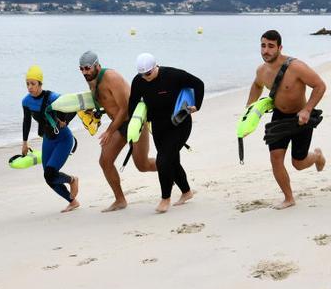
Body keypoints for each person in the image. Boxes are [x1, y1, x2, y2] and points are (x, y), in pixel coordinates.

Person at [246, 30, 326, 210]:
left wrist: (307, 109)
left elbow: (320, 85)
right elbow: (257, 86)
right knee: (275, 158)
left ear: (280, 48)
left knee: (298, 163)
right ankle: (289, 198)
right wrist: (249, 108)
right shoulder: (261, 70)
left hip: (300, 118)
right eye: (263, 45)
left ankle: (317, 156)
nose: (266, 50)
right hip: (278, 117)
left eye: (271, 46)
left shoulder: (296, 67)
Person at [78, 51, 157, 212]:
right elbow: (107, 102)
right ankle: (120, 200)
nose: (85, 72)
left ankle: (172, 168)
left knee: (142, 165)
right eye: (81, 69)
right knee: (105, 161)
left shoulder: (111, 77)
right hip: (119, 125)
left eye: (87, 68)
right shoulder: (92, 80)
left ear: (97, 65)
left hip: (134, 121)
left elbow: (124, 108)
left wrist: (109, 131)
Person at [127, 53, 204, 213]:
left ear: (156, 66)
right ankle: (186, 192)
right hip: (158, 126)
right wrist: (135, 124)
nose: (145, 77)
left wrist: (197, 105)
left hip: (179, 123)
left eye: (148, 73)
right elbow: (133, 103)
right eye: (142, 74)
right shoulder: (138, 81)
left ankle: (165, 198)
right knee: (172, 161)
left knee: (163, 160)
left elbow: (198, 84)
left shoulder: (173, 75)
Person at [21, 65, 80, 213]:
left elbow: (74, 106)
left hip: (63, 139)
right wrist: (25, 143)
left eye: (33, 84)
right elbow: (26, 121)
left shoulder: (52, 97)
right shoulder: (26, 101)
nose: (30, 87)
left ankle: (72, 180)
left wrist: (65, 120)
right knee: (48, 178)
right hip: (48, 139)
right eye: (27, 83)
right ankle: (72, 201)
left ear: (40, 84)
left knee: (50, 172)